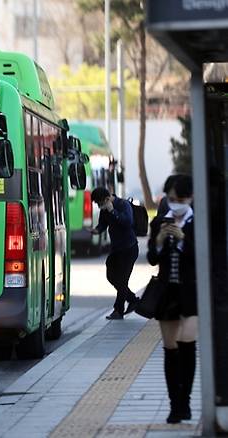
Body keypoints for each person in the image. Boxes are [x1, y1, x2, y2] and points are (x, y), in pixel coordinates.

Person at [147, 175, 196, 424]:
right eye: (172, 199)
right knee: (171, 349)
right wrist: (158, 242)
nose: (176, 204)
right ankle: (174, 404)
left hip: (191, 294)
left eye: (181, 199)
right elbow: (152, 259)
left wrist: (183, 240)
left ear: (191, 198)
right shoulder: (160, 223)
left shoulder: (197, 223)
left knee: (187, 343)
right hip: (167, 293)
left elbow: (203, 256)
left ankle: (185, 401)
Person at [90, 187, 140, 320]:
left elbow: (128, 222)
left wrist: (113, 211)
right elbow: (102, 225)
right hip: (116, 249)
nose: (99, 206)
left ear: (107, 199)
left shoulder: (123, 204)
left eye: (99, 203)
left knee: (122, 280)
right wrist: (96, 230)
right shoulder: (104, 210)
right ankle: (133, 300)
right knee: (111, 276)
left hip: (129, 248)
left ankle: (118, 310)